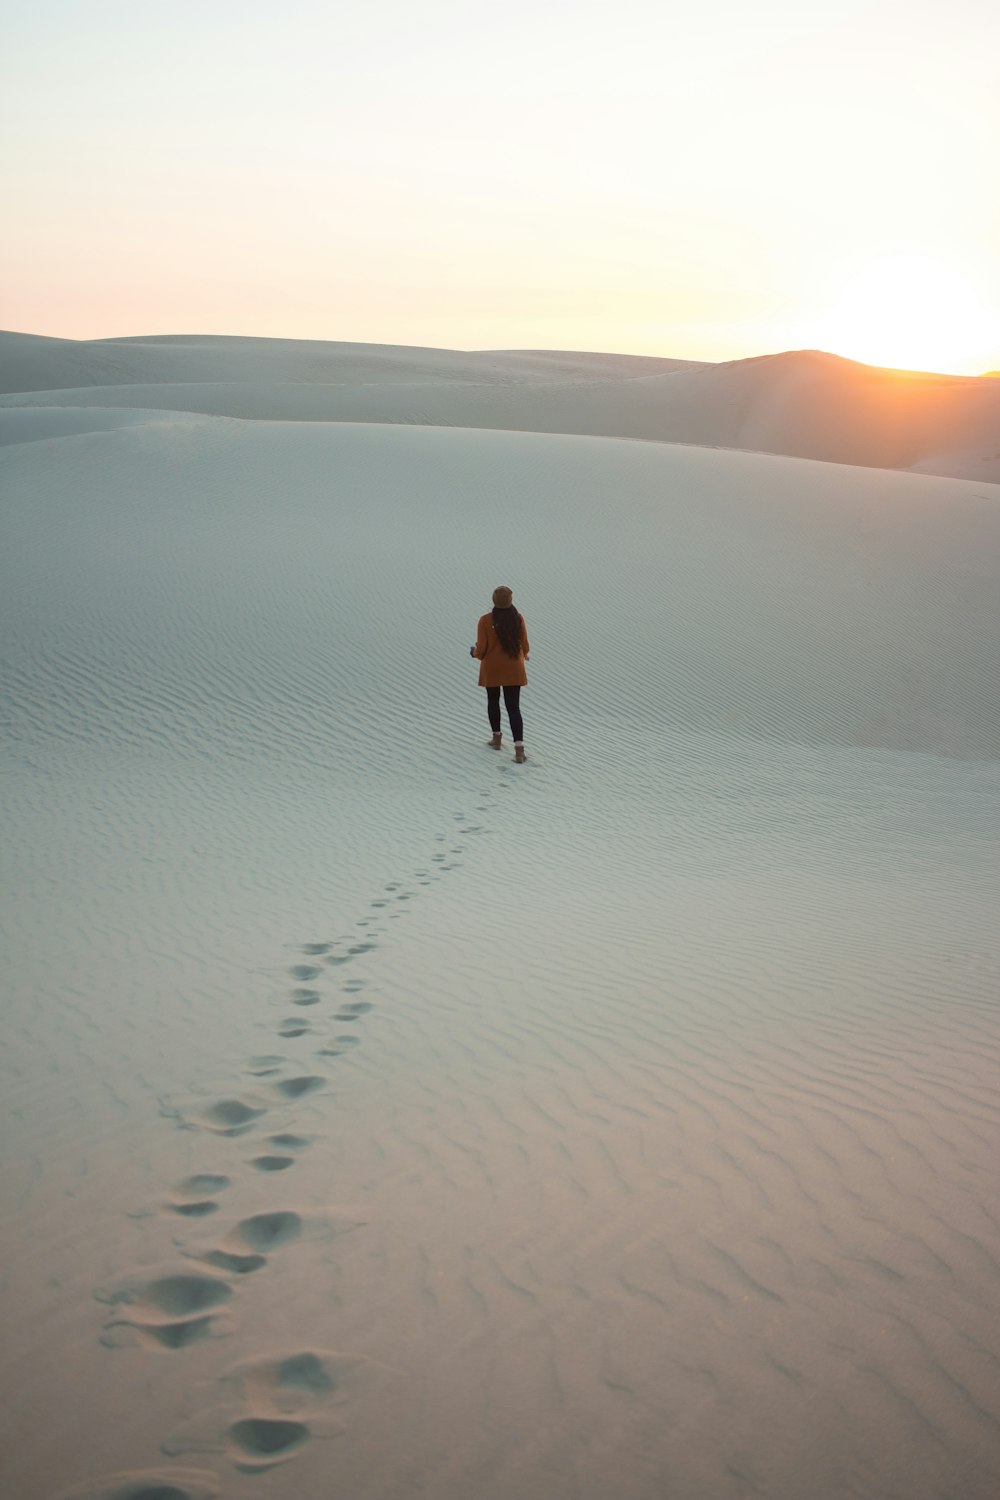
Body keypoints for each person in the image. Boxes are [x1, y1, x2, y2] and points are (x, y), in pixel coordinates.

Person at [470, 585, 530, 762]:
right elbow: (525, 644)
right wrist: (524, 655)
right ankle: (519, 749)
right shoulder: (518, 618)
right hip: (514, 668)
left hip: (492, 667)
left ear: (493, 600)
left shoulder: (485, 620)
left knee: (493, 700)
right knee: (514, 707)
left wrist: (473, 652)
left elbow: (481, 649)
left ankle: (496, 739)